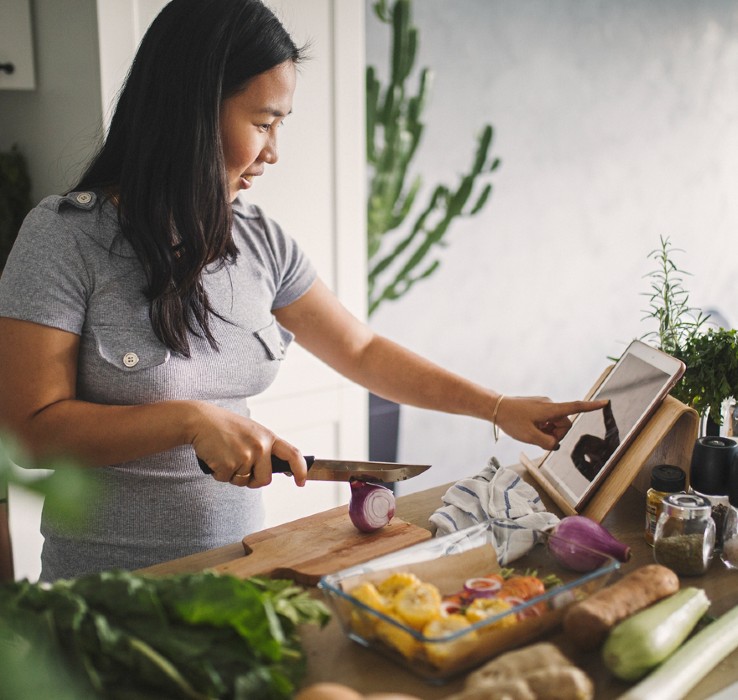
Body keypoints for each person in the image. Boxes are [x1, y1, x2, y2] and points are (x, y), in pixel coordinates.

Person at [0, 0, 606, 582]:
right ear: (191, 110)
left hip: (239, 575)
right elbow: (29, 431)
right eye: (263, 123)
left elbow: (362, 351)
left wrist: (498, 408)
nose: (273, 152)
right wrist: (185, 420)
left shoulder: (261, 241)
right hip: (107, 596)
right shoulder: (64, 238)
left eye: (279, 125)